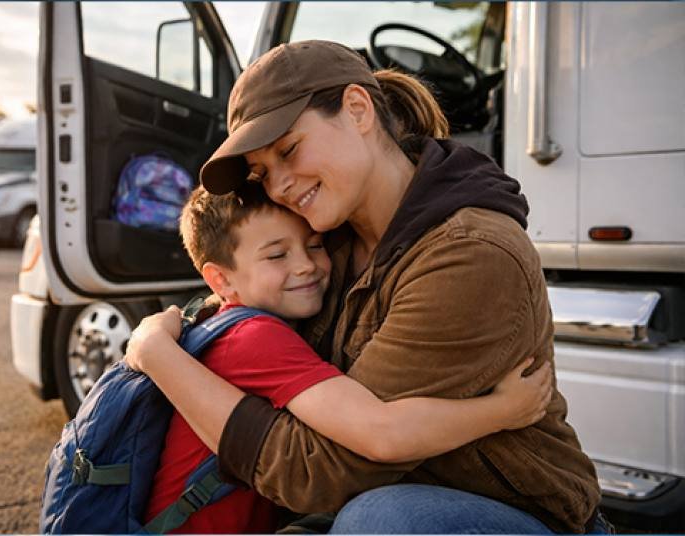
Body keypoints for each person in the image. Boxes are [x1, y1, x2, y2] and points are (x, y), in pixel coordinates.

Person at [126, 40, 607, 534]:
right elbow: (242, 309)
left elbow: (325, 471)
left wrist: (159, 357)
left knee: (378, 522)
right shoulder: (322, 244)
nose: (279, 185)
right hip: (370, 500)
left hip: (509, 514)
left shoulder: (470, 254)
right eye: (263, 172)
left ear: (358, 109)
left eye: (289, 150)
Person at [139, 183, 552, 533]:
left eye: (314, 245)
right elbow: (381, 431)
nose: (306, 266)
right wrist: (503, 410)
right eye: (276, 255)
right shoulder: (254, 338)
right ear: (221, 279)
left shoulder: (222, 324)